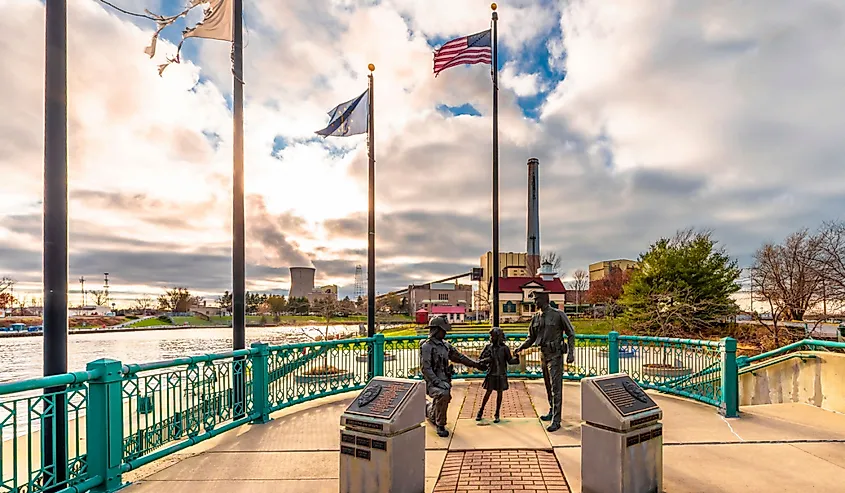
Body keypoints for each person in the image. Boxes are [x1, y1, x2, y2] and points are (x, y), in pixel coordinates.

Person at [514, 290, 576, 432]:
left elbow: (571, 333)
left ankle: (557, 419)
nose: (535, 302)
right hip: (543, 354)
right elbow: (531, 338)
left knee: (556, 387)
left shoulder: (558, 314)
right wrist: (520, 348)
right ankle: (551, 410)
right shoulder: (536, 317)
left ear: (544, 299)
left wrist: (571, 353)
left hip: (555, 355)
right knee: (548, 386)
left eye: (537, 300)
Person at [420, 316, 484, 437]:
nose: (445, 333)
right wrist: (438, 382)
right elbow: (426, 369)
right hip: (432, 383)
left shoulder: (446, 346)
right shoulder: (426, 347)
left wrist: (476, 365)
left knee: (440, 403)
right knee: (443, 394)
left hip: (445, 381)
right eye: (443, 330)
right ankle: (440, 424)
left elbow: (460, 357)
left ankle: (428, 409)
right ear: (436, 330)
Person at [476, 327, 519, 423]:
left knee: (500, 394)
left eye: (493, 336)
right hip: (491, 373)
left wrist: (517, 358)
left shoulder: (504, 348)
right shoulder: (488, 347)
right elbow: (481, 359)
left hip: (501, 374)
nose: (491, 338)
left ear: (498, 337)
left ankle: (497, 413)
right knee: (488, 393)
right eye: (491, 336)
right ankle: (481, 411)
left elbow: (510, 361)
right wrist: (487, 360)